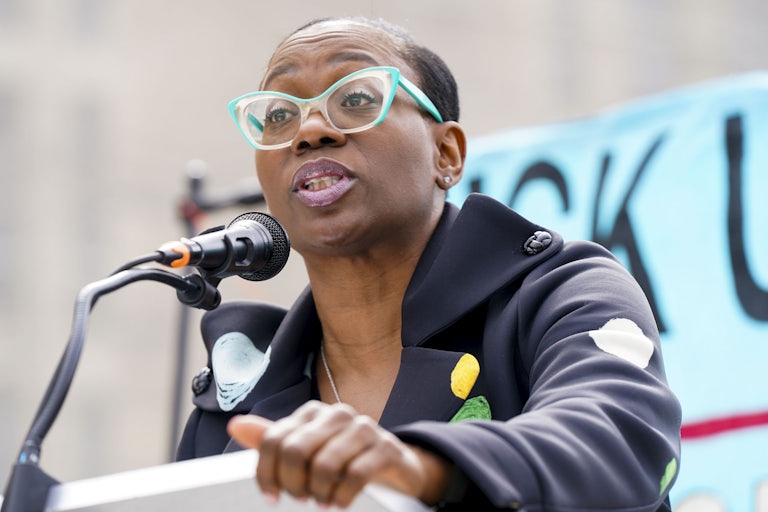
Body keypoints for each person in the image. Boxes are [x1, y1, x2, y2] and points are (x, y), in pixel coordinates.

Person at [176, 16, 681, 511]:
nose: (309, 131)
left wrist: (424, 468)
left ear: (447, 154)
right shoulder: (234, 401)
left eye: (355, 100)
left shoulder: (564, 293)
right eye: (280, 116)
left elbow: (620, 436)